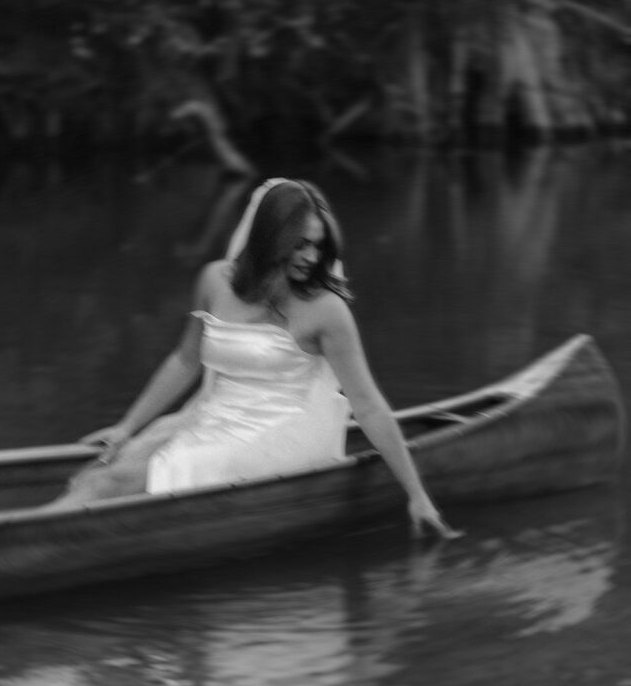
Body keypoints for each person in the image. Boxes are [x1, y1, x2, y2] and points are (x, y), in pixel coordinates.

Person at [52, 178, 458, 539]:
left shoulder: (325, 310)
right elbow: (185, 360)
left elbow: (368, 406)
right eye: (300, 244)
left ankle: (24, 538)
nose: (312, 258)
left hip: (281, 431)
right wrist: (128, 425)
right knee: (96, 475)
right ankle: (50, 530)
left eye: (319, 245)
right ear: (270, 238)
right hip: (214, 417)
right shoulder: (214, 281)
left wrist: (418, 496)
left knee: (115, 482)